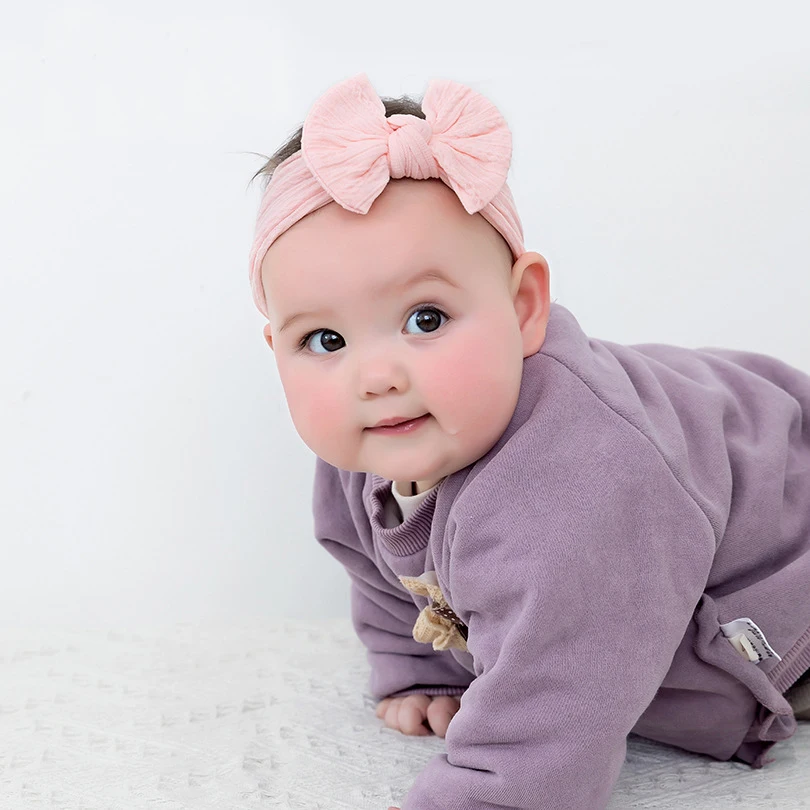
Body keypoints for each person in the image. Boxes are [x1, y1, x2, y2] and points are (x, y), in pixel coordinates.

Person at [246, 72, 810, 810]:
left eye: (425, 319)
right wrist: (423, 668)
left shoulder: (578, 486)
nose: (375, 377)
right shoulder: (376, 443)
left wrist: (487, 792)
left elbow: (559, 707)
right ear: (278, 351)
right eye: (324, 340)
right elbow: (384, 572)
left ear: (523, 308)